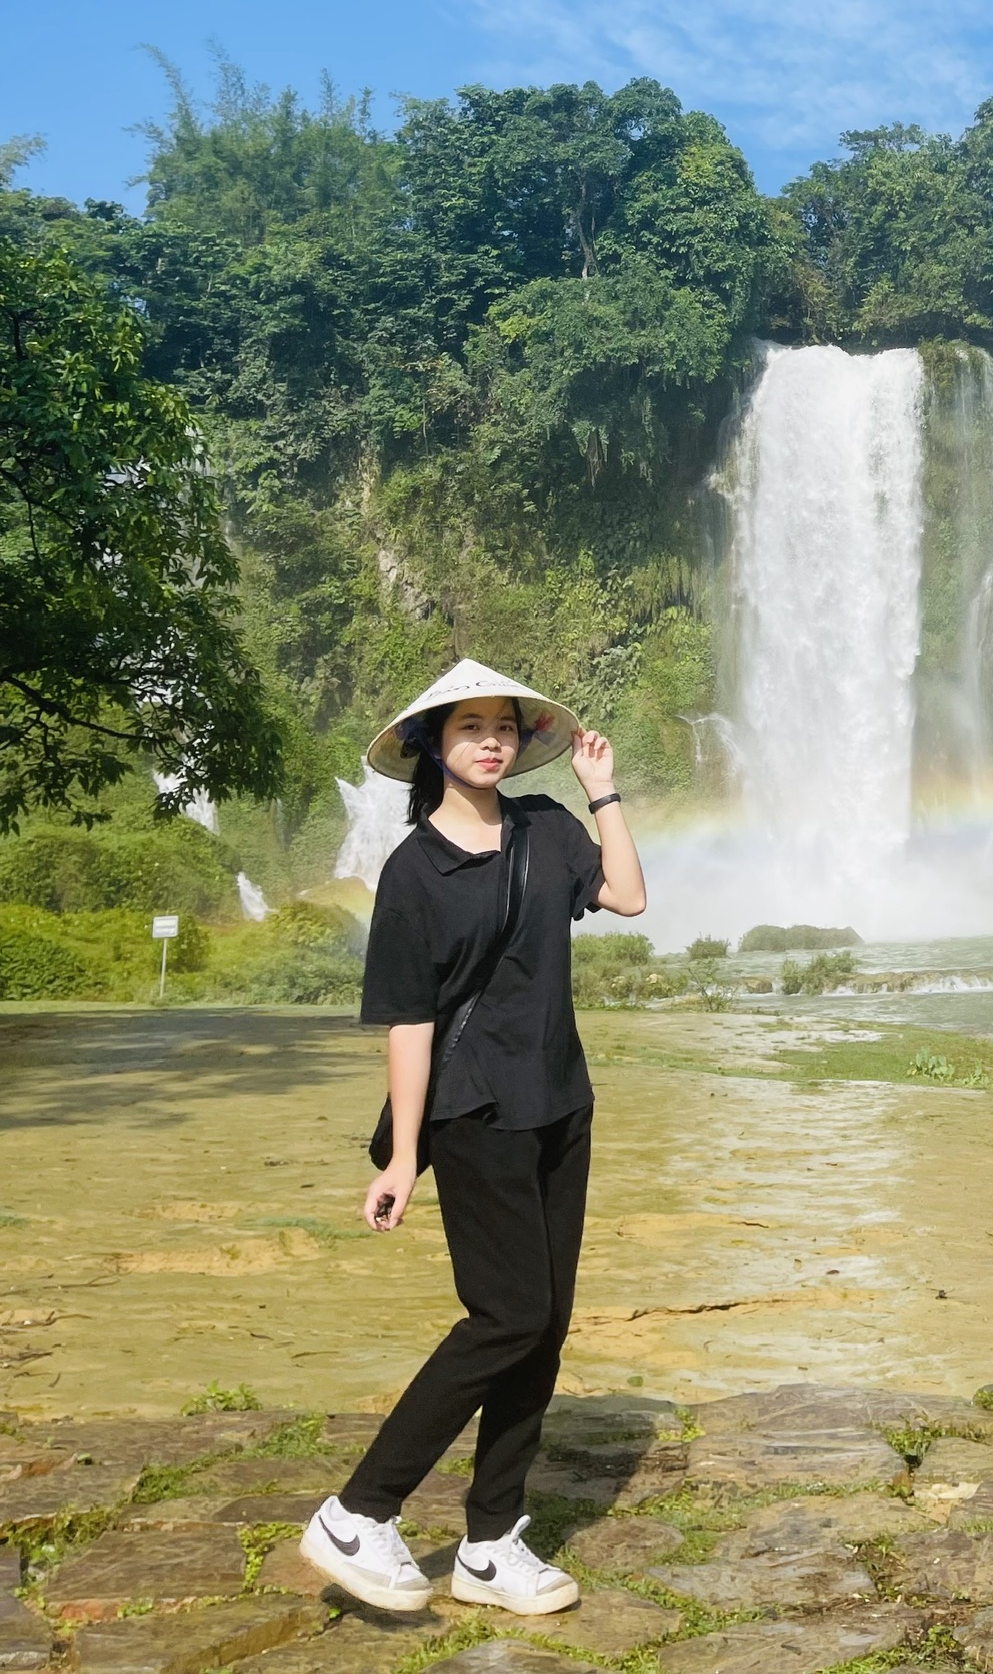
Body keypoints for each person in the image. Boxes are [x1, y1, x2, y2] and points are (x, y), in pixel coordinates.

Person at [299, 658, 647, 1617]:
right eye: (469, 728)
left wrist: (602, 790)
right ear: (431, 747)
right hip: (474, 1112)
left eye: (503, 725)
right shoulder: (413, 871)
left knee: (544, 1325)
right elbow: (409, 1021)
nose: (491, 739)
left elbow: (626, 895)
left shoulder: (546, 829)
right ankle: (359, 1509)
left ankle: (492, 1542)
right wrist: (404, 1156)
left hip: (559, 1101)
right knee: (507, 1316)